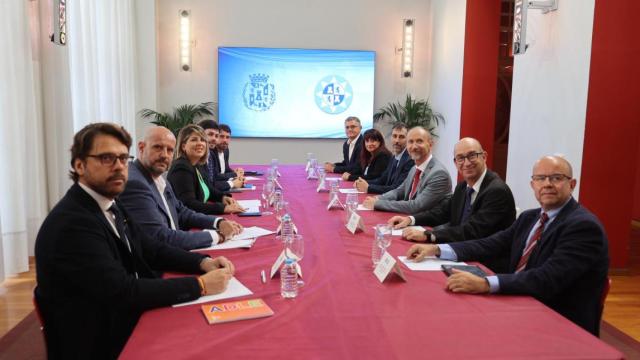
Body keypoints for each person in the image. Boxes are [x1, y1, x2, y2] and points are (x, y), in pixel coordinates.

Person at [34, 123, 236, 359]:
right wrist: (200, 286)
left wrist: (202, 263)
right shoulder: (72, 224)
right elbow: (123, 291)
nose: (120, 167)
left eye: (122, 158)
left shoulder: (109, 203)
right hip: (101, 342)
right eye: (107, 158)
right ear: (79, 165)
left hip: (119, 317)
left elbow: (151, 248)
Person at [405, 155, 609, 336]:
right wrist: (437, 249)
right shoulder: (531, 217)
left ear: (572, 184)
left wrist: (486, 283)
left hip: (558, 323)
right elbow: (491, 243)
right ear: (532, 185)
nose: (547, 184)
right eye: (540, 178)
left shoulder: (583, 226)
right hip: (520, 303)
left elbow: (548, 279)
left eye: (556, 178)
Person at [119, 126, 242, 251]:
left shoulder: (159, 177)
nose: (164, 155)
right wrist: (217, 236)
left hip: (174, 249)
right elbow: (161, 237)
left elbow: (182, 212)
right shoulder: (135, 183)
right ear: (141, 147)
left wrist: (218, 222)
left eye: (170, 150)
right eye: (158, 147)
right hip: (162, 262)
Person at [388, 138, 515, 244]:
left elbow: (473, 231)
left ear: (484, 157)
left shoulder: (496, 191)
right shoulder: (462, 186)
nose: (466, 163)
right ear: (455, 162)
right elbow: (442, 212)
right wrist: (411, 219)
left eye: (472, 156)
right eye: (460, 158)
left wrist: (429, 235)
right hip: (460, 248)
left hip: (485, 262)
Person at [362, 126, 451, 214]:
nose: (414, 146)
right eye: (410, 142)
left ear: (430, 144)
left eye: (419, 141)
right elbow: (399, 191)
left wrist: (378, 203)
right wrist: (379, 198)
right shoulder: (414, 168)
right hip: (408, 219)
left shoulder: (438, 173)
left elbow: (416, 206)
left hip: (428, 226)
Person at [167, 124, 244, 215]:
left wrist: (222, 197)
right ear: (183, 146)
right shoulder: (181, 168)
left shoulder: (197, 164)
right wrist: (223, 208)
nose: (200, 143)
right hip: (187, 225)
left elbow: (209, 188)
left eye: (203, 140)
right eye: (194, 140)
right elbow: (189, 204)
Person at [354, 122, 412, 194]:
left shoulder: (410, 160)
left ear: (408, 139)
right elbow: (382, 179)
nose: (397, 141)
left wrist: (368, 188)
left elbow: (396, 188)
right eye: (394, 136)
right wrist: (362, 183)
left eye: (401, 137)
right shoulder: (394, 157)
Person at [197, 119, 243, 191]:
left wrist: (235, 174)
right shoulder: (198, 158)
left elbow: (214, 178)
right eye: (210, 134)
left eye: (216, 136)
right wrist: (232, 182)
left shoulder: (211, 154)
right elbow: (211, 183)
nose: (214, 139)